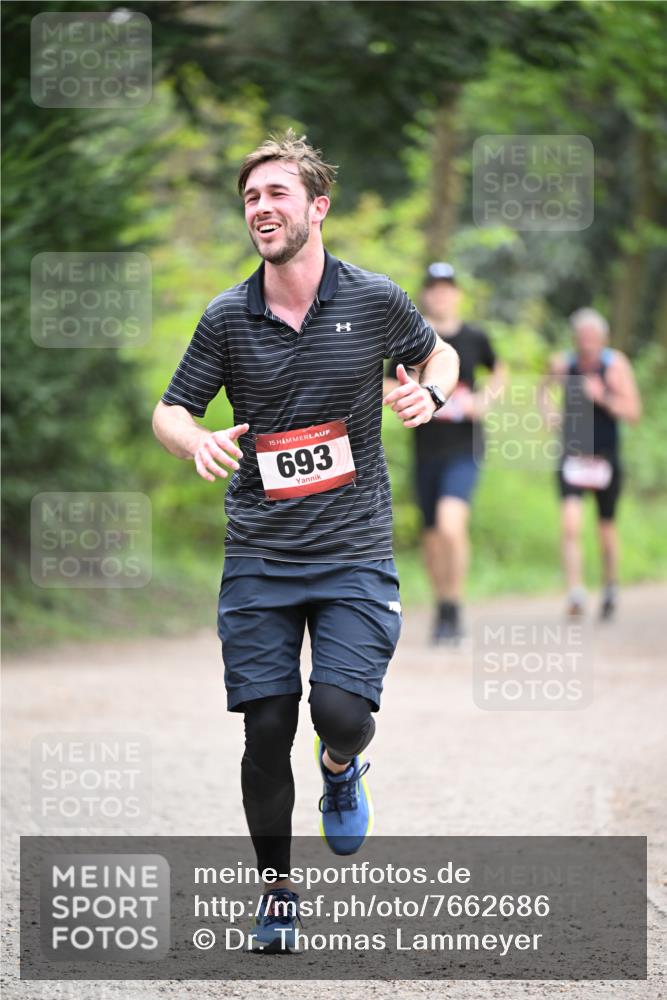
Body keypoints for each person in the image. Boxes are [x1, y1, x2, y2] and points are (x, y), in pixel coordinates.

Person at [152, 130, 459, 951]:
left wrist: (429, 395)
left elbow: (443, 355)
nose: (261, 208)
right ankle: (278, 894)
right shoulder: (227, 316)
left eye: (277, 194)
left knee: (339, 712)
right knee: (264, 725)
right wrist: (196, 442)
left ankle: (341, 767)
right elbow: (170, 409)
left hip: (354, 549)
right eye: (251, 198)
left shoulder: (372, 300)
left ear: (316, 207)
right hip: (259, 551)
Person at [385, 263, 505, 644]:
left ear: (457, 293)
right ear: (425, 294)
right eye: (433, 288)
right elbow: (387, 378)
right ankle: (443, 607)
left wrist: (484, 401)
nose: (440, 294)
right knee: (433, 536)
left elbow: (499, 371)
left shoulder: (474, 337)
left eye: (447, 288)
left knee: (451, 524)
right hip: (426, 449)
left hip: (464, 448)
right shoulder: (412, 338)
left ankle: (455, 603)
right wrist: (408, 395)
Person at [540, 308, 641, 620]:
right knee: (570, 524)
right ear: (575, 339)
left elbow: (634, 412)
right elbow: (542, 389)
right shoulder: (563, 364)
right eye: (582, 338)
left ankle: (610, 585)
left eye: (593, 339)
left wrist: (603, 396)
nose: (587, 344)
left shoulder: (615, 365)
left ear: (604, 339)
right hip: (572, 455)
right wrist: (549, 413)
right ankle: (576, 592)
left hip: (604, 459)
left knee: (605, 529)